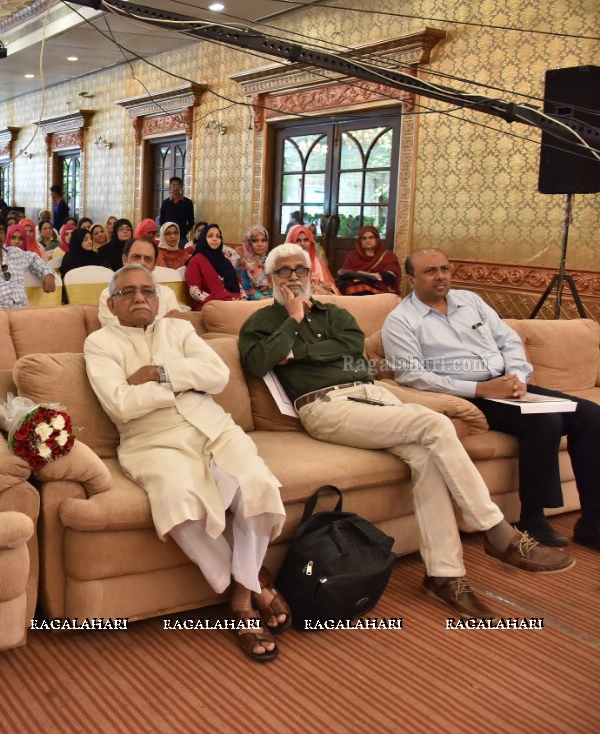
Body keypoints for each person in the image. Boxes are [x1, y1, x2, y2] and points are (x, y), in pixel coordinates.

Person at [239, 243, 574, 620]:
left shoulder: (335, 312)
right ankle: (497, 531)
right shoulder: (261, 323)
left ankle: (445, 576)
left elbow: (351, 346)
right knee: (434, 423)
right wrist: (293, 320)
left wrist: (298, 352)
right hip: (323, 406)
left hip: (374, 395)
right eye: (283, 272)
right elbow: (258, 361)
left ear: (310, 274)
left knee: (426, 458)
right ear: (270, 279)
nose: (293, 279)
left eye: (300, 270)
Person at [86, 264, 288, 661]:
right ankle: (250, 583)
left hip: (214, 427)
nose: (140, 297)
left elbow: (217, 376)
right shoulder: (100, 343)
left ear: (159, 298)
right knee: (178, 503)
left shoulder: (179, 330)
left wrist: (158, 373)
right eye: (128, 292)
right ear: (111, 303)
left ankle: (242, 599)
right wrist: (180, 388)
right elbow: (121, 405)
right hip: (152, 440)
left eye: (148, 290)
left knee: (256, 486)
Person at [382, 248, 600, 551]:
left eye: (445, 269)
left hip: (508, 385)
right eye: (430, 271)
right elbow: (411, 376)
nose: (441, 276)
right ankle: (532, 518)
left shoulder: (470, 301)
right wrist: (483, 390)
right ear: (411, 278)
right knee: (544, 421)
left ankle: (592, 523)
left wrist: (516, 377)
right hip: (466, 393)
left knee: (591, 414)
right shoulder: (401, 320)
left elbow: (508, 339)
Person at [97, 238, 185, 327]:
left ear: (154, 265)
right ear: (124, 260)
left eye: (148, 259)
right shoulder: (109, 295)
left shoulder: (166, 293)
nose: (141, 263)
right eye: (136, 257)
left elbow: (177, 327)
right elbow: (116, 329)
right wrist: (162, 324)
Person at [184, 224, 244, 310]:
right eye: (210, 236)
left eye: (218, 236)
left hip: (232, 303)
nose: (215, 239)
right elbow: (195, 292)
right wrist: (222, 300)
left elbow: (237, 284)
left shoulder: (225, 260)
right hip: (209, 306)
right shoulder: (195, 261)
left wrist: (243, 297)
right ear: (203, 239)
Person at [337, 225, 400, 295]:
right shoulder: (353, 256)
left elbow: (390, 276)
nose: (368, 240)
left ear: (377, 239)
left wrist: (371, 275)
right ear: (360, 241)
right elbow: (343, 275)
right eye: (364, 238)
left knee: (365, 289)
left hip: (378, 287)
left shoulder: (388, 255)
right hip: (355, 287)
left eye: (371, 237)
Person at [285, 224, 338, 295]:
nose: (302, 243)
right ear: (292, 243)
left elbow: (330, 285)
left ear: (311, 242)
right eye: (298, 240)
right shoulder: (284, 263)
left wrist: (328, 287)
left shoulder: (318, 263)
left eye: (306, 240)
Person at [59, 226, 107, 304]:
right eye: (85, 239)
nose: (90, 241)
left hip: (96, 292)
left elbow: (105, 270)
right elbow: (69, 278)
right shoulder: (70, 257)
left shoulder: (95, 255)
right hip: (76, 295)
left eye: (90, 238)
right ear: (77, 241)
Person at [236, 225, 273, 300]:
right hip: (255, 302)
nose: (260, 244)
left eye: (263, 240)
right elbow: (246, 289)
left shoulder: (270, 259)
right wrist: (264, 299)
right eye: (255, 241)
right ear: (248, 242)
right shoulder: (241, 263)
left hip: (274, 299)